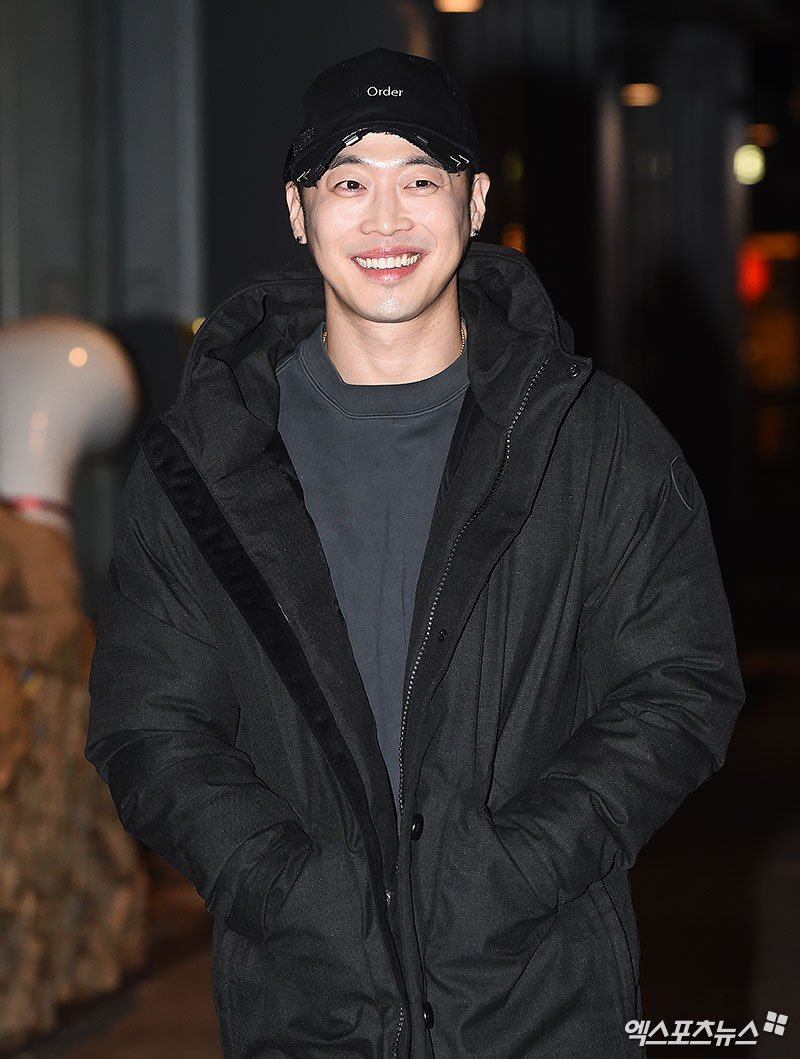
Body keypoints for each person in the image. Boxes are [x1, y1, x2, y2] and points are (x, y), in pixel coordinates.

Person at [86, 47, 745, 1059]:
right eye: (348, 181)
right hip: (302, 1010)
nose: (385, 221)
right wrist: (291, 887)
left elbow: (679, 684)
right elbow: (148, 726)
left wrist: (513, 870)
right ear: (298, 211)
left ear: (473, 202)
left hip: (540, 1003)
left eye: (420, 179)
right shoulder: (205, 464)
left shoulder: (594, 439)